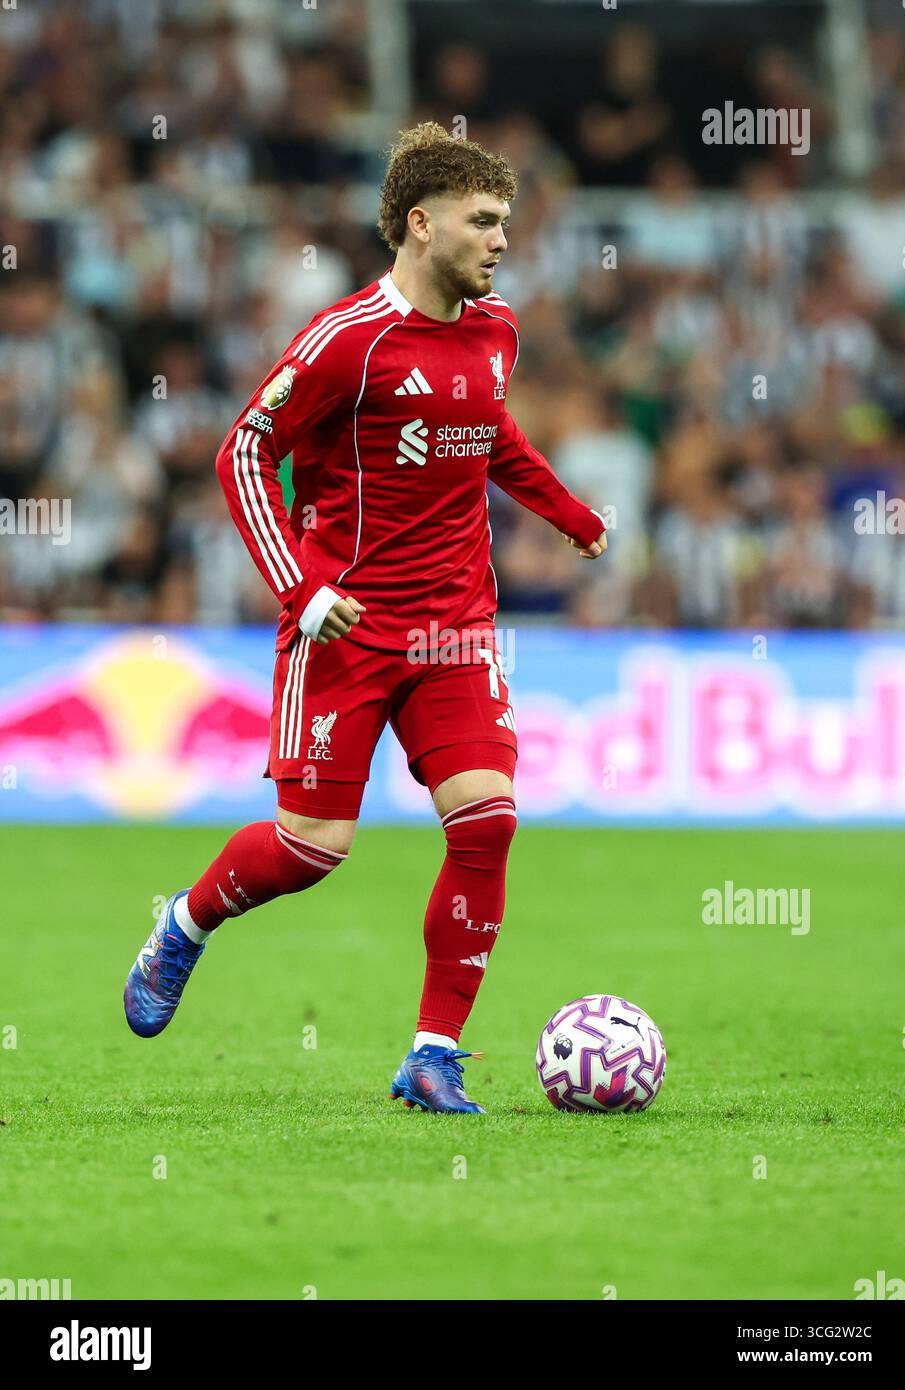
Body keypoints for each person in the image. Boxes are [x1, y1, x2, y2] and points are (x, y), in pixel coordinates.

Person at [124, 122, 607, 1113]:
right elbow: (242, 452)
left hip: (456, 630)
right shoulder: (347, 342)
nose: (501, 239)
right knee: (311, 849)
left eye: (505, 222)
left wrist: (567, 513)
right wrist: (303, 590)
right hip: (344, 629)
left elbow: (489, 433)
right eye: (483, 220)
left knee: (487, 819)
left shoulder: (496, 329)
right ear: (420, 224)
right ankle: (185, 920)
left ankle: (432, 1053)